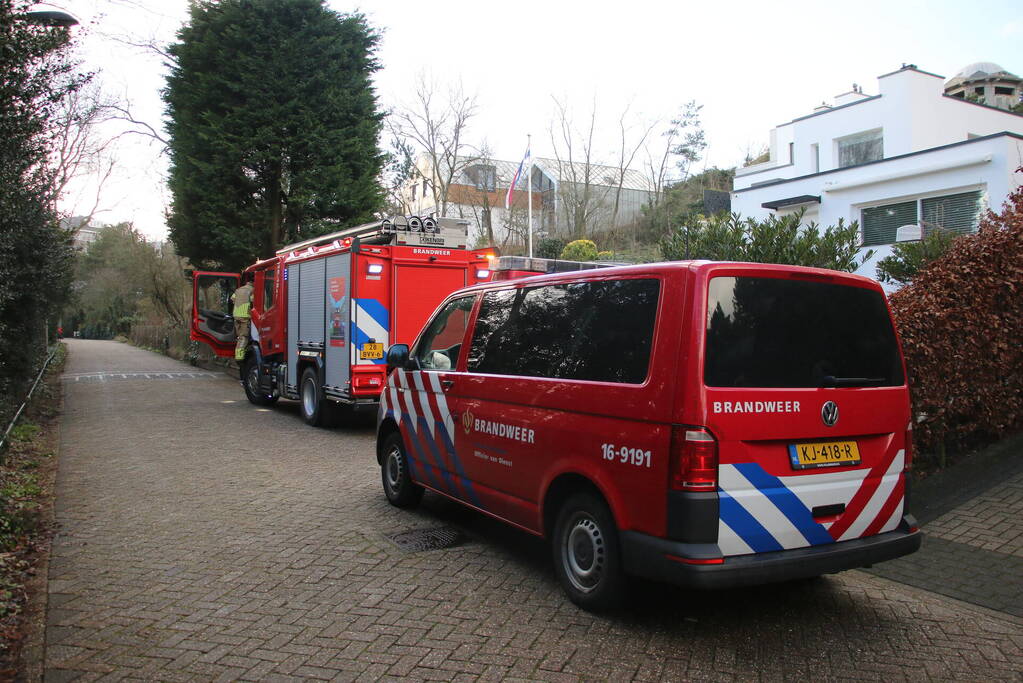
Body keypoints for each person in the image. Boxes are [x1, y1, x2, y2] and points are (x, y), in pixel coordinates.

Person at [231, 273, 254, 361]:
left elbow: (232, 299)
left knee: (239, 336)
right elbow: (254, 301)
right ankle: (239, 357)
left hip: (236, 315)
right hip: (245, 316)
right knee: (244, 337)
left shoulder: (238, 290)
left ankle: (239, 354)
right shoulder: (252, 290)